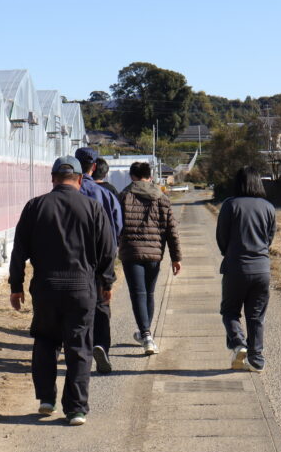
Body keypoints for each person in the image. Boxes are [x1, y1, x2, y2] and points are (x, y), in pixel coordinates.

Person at [9, 155, 117, 426]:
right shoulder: (93, 208)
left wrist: (16, 286)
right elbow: (107, 251)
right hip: (82, 288)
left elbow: (19, 250)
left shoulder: (35, 206)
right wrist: (107, 283)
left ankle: (47, 399)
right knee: (79, 346)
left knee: (45, 340)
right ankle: (76, 409)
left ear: (53, 179)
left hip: (46, 288)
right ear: (80, 179)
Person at [118, 161, 182, 355]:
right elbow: (171, 229)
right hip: (155, 253)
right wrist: (176, 257)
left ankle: (146, 335)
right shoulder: (161, 197)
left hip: (131, 252)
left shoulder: (123, 196)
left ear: (132, 176)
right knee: (149, 293)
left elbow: (115, 224)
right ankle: (146, 333)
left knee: (138, 293)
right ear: (150, 176)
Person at [216, 166, 276, 373]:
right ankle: (257, 360)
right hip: (262, 269)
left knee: (230, 311)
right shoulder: (268, 207)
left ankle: (239, 343)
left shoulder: (230, 205)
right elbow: (269, 238)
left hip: (236, 267)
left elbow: (222, 238)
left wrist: (230, 251)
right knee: (256, 315)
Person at [73, 147, 123, 374]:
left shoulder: (69, 192)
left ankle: (80, 348)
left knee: (76, 305)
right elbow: (117, 227)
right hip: (102, 256)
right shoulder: (106, 195)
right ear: (94, 167)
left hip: (73, 258)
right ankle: (101, 345)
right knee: (102, 303)